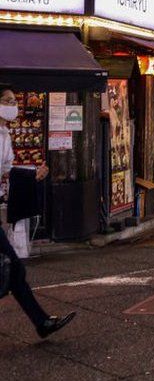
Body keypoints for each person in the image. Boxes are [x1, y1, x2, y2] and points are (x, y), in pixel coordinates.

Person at [0, 84, 75, 339]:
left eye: (13, 101)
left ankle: (42, 322)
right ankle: (41, 322)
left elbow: (8, 171)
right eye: (7, 101)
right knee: (13, 270)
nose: (13, 106)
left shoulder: (5, 134)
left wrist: (34, 174)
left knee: (14, 271)